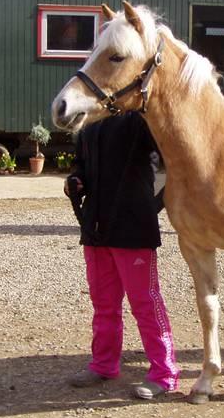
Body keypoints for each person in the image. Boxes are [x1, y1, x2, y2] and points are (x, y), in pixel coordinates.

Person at [64, 111, 180, 400]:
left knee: (145, 303)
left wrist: (149, 206)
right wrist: (77, 178)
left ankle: (164, 374)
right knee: (103, 303)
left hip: (133, 229)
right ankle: (103, 364)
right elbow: (82, 162)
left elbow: (170, 160)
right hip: (96, 228)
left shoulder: (140, 118)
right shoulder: (89, 119)